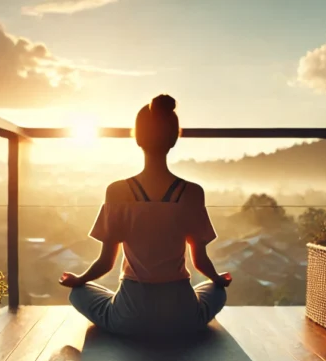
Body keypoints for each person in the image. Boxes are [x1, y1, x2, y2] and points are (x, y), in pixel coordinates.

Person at [59, 94, 232, 336]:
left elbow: (105, 263)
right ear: (174, 139)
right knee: (216, 291)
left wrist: (79, 279)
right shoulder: (193, 192)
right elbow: (200, 261)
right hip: (181, 316)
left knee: (79, 293)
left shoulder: (117, 191)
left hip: (130, 316)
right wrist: (218, 279)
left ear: (138, 138)